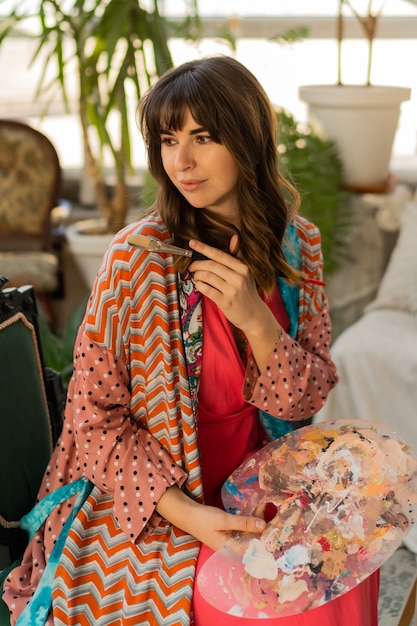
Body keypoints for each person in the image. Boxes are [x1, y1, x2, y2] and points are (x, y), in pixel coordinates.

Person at [2, 55, 379, 625]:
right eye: (167, 139)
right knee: (271, 605)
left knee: (347, 565)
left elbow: (303, 401)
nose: (181, 161)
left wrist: (257, 319)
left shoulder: (298, 245)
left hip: (259, 480)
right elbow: (90, 415)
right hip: (147, 500)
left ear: (248, 139)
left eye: (203, 136)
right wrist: (188, 514)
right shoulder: (136, 256)